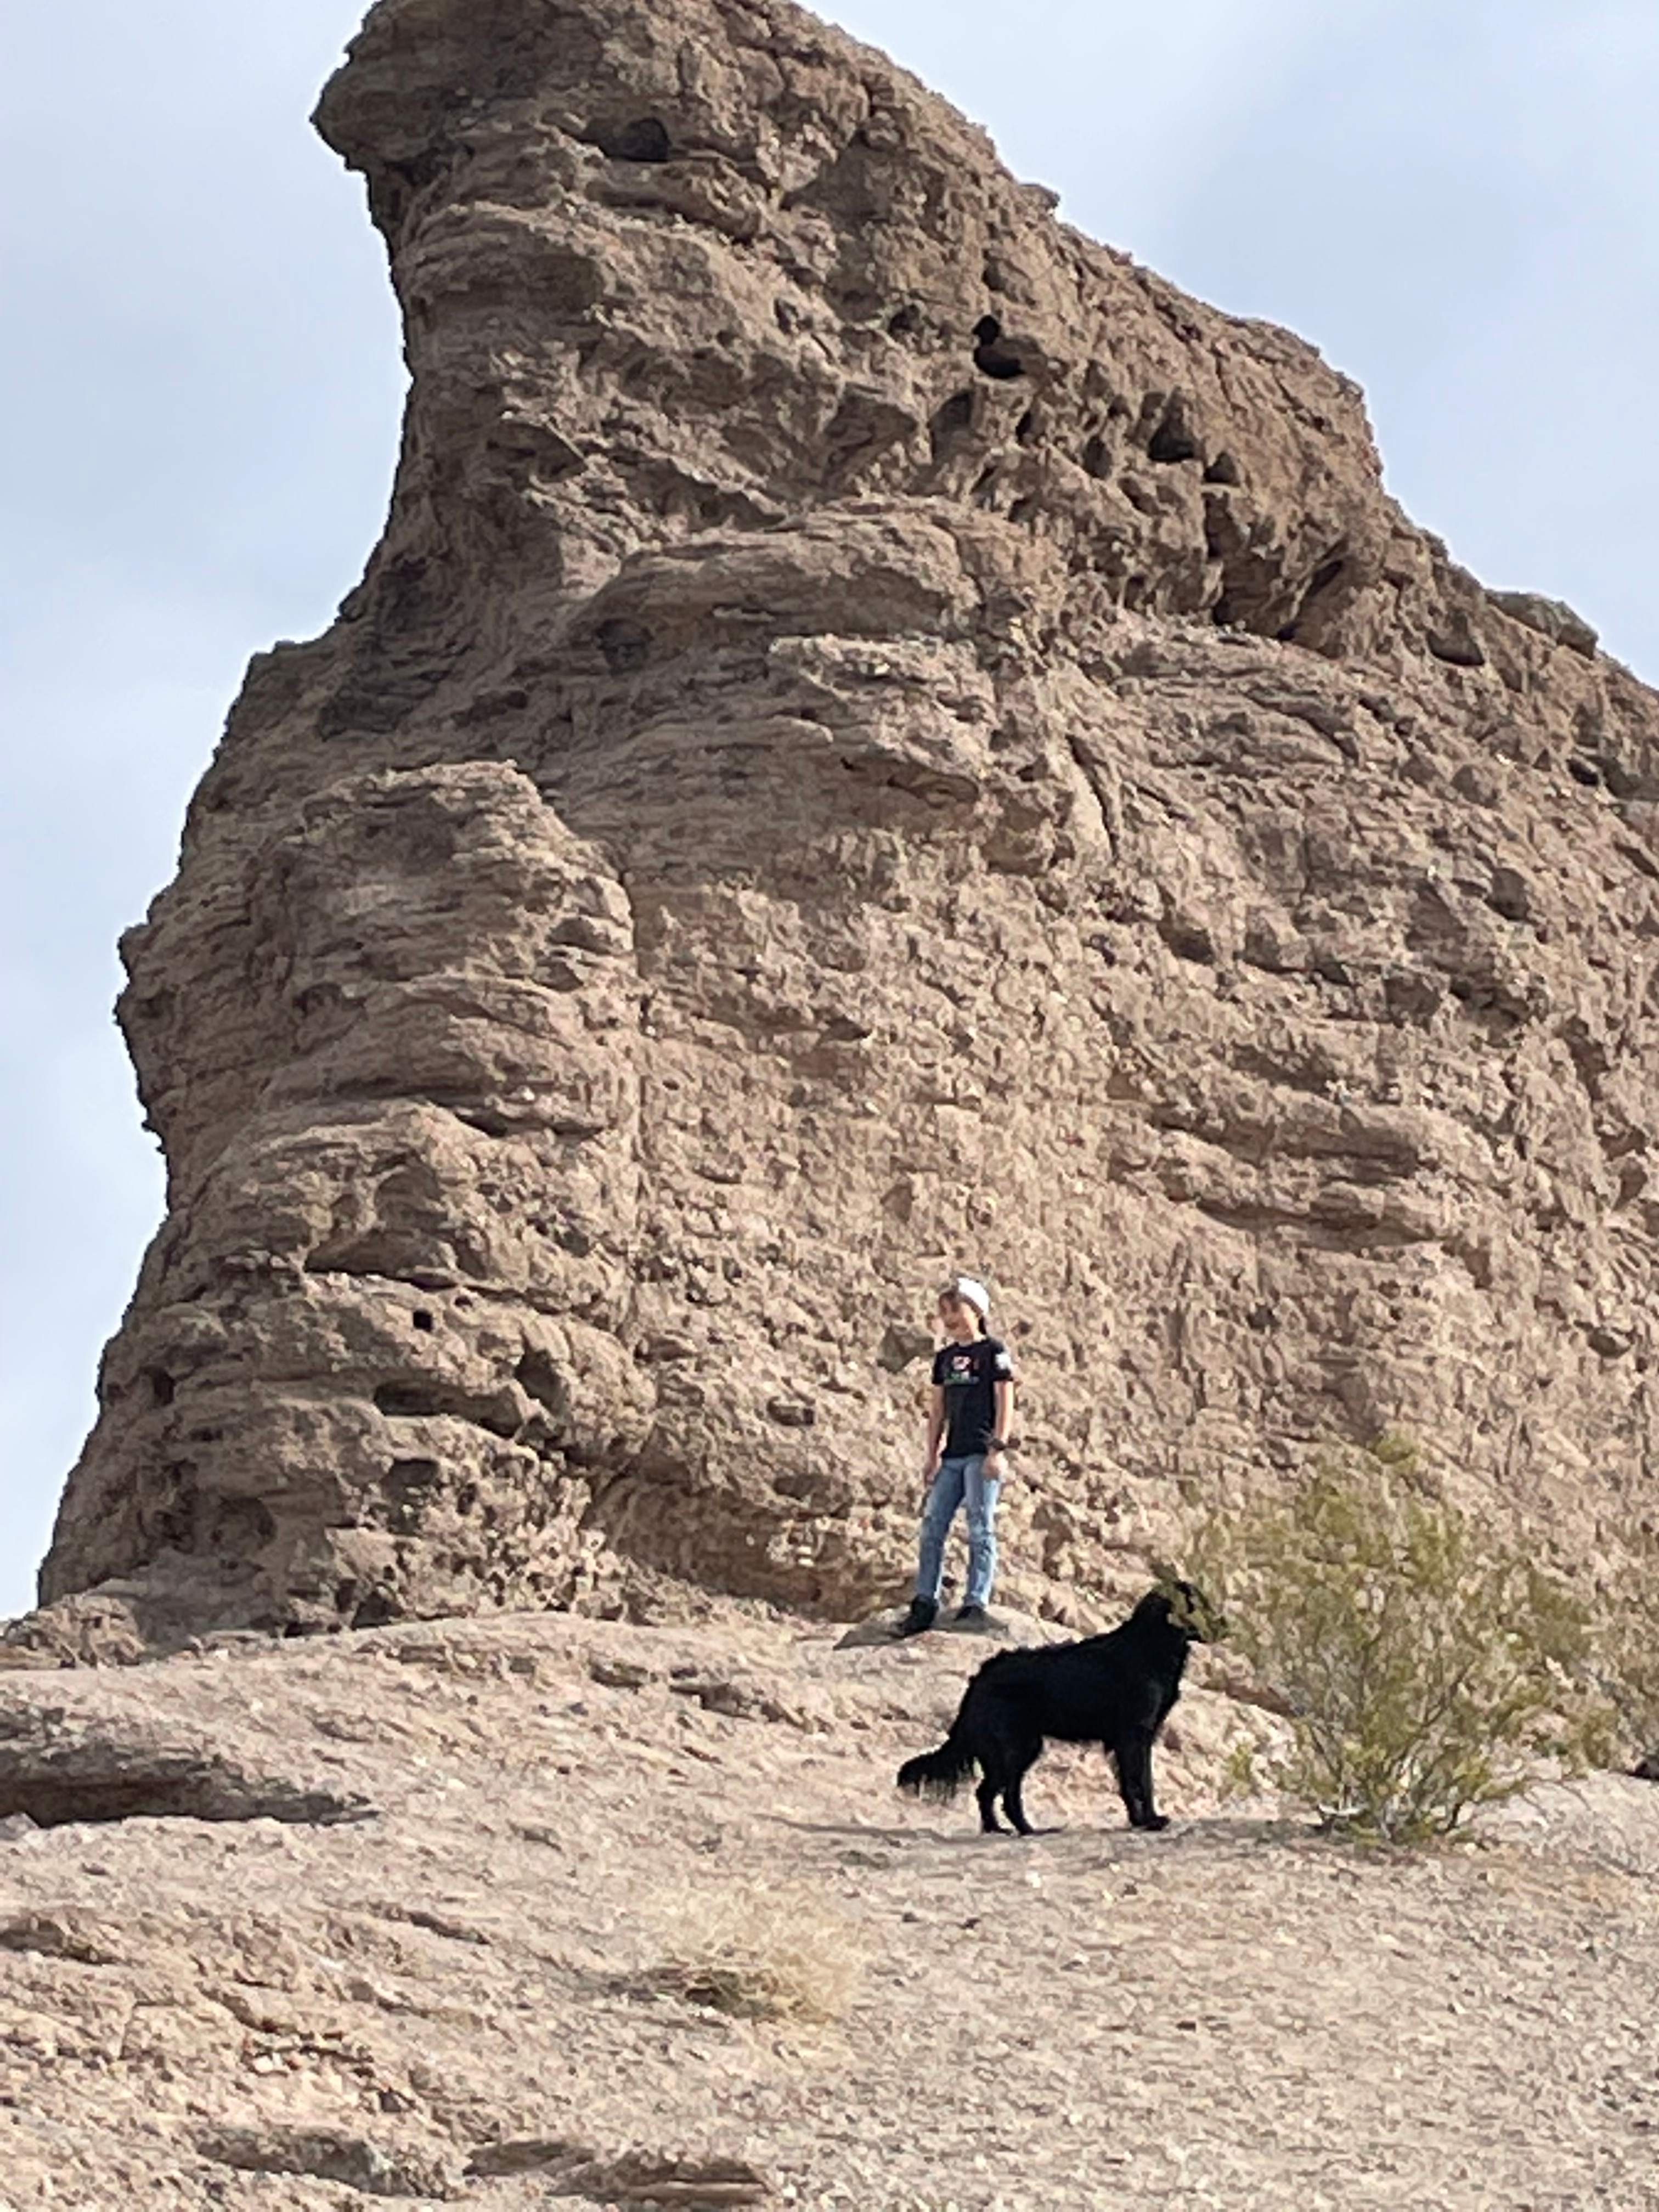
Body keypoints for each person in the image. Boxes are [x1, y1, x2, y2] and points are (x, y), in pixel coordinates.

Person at [895, 1276, 1015, 1637]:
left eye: (957, 1309)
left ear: (977, 1311)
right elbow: (938, 1410)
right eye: (944, 1312)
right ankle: (925, 1601)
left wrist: (997, 1448)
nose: (950, 1319)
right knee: (934, 1526)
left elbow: (1005, 1401)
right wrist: (931, 1455)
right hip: (952, 1456)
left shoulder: (994, 1352)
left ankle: (976, 1602)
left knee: (980, 1528)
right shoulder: (945, 1359)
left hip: (981, 1454)